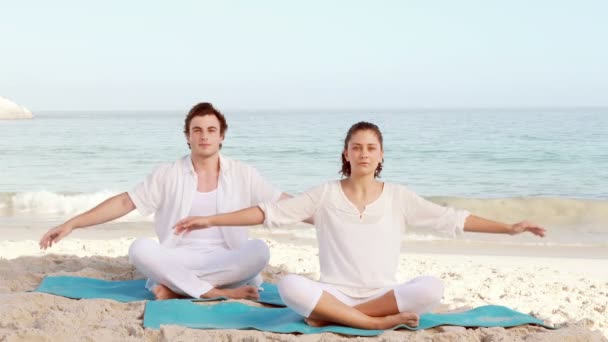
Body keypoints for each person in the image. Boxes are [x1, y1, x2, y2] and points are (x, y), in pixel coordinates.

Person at [173, 121, 546, 330]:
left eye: (370, 147)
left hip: (382, 293)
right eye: (356, 147)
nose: (363, 153)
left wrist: (509, 228)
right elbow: (266, 212)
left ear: (380, 155)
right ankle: (374, 324)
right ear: (346, 154)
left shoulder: (399, 197)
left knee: (432, 287)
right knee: (288, 285)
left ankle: (351, 317)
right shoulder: (324, 194)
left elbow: (453, 219)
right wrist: (209, 218)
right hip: (333, 292)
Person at [39, 102, 292, 301]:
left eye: (211, 130)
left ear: (222, 136)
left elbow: (284, 203)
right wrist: (72, 223)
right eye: (197, 130)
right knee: (139, 248)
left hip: (226, 260)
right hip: (178, 258)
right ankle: (214, 292)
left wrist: (325, 213)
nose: (204, 136)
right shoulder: (167, 173)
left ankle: (181, 288)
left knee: (260, 250)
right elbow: (126, 202)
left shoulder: (243, 173)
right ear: (187, 136)